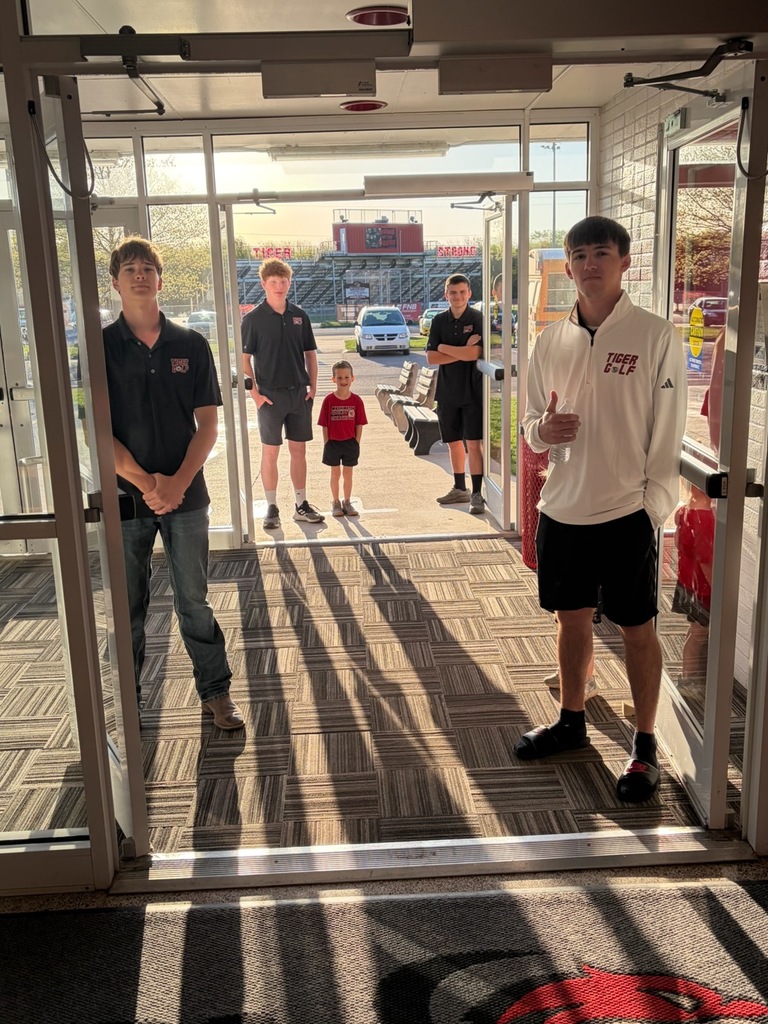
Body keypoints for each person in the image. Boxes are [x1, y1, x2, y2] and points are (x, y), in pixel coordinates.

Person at [517, 215, 687, 802]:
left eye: (601, 254)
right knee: (571, 620)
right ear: (568, 267)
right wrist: (544, 427)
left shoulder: (655, 335)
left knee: (638, 629)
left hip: (626, 513)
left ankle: (644, 745)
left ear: (624, 263)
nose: (590, 264)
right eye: (580, 255)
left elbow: (668, 434)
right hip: (563, 507)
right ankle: (570, 720)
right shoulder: (550, 339)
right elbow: (529, 425)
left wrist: (651, 509)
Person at [103, 236, 242, 730]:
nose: (139, 274)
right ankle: (126, 700)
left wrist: (177, 484)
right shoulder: (101, 348)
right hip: (126, 497)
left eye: (147, 267)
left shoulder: (191, 344)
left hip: (186, 496)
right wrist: (147, 484)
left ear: (159, 280)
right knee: (128, 606)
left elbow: (208, 425)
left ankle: (216, 692)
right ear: (116, 282)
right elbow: (97, 431)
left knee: (193, 601)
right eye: (130, 268)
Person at [241, 257, 325, 530]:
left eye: (283, 281)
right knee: (270, 452)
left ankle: (301, 504)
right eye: (273, 282)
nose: (279, 286)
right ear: (264, 283)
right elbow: (244, 361)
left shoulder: (300, 315)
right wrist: (255, 394)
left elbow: (310, 354)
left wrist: (313, 387)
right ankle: (271, 507)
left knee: (298, 450)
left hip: (299, 394)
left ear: (289, 283)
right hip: (270, 397)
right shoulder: (253, 319)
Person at [426, 273, 485, 514]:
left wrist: (444, 348)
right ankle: (459, 487)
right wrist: (462, 350)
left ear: (469, 293)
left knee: (473, 443)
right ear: (446, 294)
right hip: (448, 392)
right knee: (453, 443)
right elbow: (431, 358)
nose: (457, 296)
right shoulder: (439, 321)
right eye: (453, 293)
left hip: (472, 391)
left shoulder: (478, 318)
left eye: (462, 292)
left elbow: (475, 355)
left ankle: (477, 493)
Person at [671, 484, 714, 696]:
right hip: (703, 588)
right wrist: (717, 587)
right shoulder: (705, 520)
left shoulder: (684, 511)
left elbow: (678, 543)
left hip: (688, 581)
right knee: (699, 633)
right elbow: (706, 561)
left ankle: (688, 676)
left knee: (694, 629)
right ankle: (688, 679)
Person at [317, 359, 368, 517]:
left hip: (350, 443)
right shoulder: (328, 400)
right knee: (335, 474)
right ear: (333, 380)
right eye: (339, 378)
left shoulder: (357, 401)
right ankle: (336, 502)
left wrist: (356, 442)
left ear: (352, 378)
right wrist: (327, 443)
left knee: (348, 474)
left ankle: (347, 501)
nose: (343, 381)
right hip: (333, 443)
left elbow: (359, 423)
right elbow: (324, 424)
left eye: (346, 377)